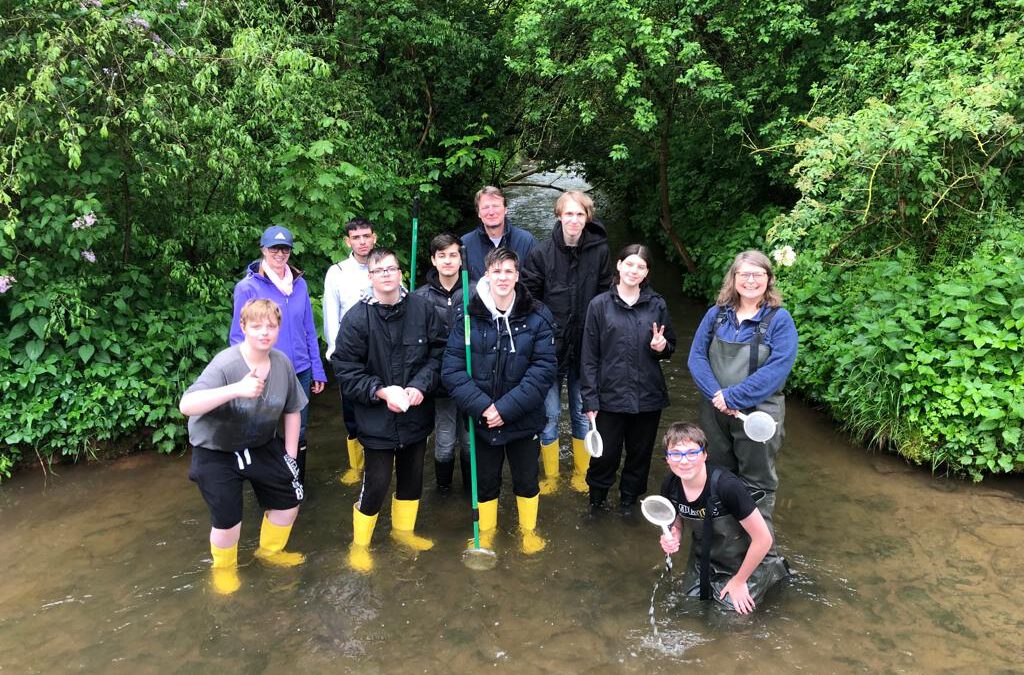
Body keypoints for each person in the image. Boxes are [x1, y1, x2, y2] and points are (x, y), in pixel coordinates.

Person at [331, 248, 446, 572]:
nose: (386, 275)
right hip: (377, 419)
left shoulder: (422, 308)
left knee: (412, 478)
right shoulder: (356, 318)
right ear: (370, 277)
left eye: (391, 269)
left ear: (400, 274)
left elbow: (439, 353)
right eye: (379, 270)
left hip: (415, 414)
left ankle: (402, 532)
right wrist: (379, 391)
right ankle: (360, 545)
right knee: (377, 482)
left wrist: (420, 385)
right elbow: (346, 369)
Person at [181, 299, 307, 595]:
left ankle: (270, 553)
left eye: (271, 326)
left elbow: (293, 409)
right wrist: (236, 389)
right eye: (256, 326)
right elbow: (187, 405)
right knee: (228, 521)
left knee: (289, 500)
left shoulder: (282, 363)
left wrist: (290, 455)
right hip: (216, 450)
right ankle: (224, 570)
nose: (264, 332)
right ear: (243, 328)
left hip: (261, 444)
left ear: (278, 329)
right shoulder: (226, 364)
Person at [441, 247, 557, 554]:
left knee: (527, 479)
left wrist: (505, 409)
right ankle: (487, 533)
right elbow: (451, 369)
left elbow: (544, 371)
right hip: (482, 419)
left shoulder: (539, 315)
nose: (503, 277)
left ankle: (528, 532)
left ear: (517, 276)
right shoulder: (468, 314)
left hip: (523, 417)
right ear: (487, 275)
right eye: (497, 271)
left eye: (509, 271)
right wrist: (484, 408)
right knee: (486, 481)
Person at [686, 250, 797, 540]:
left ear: (769, 279)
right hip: (715, 411)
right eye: (744, 274)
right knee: (718, 476)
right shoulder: (716, 315)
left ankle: (759, 553)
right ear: (733, 279)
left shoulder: (780, 320)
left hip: (758, 415)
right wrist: (717, 395)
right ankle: (723, 543)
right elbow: (696, 358)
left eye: (758, 274)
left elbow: (777, 369)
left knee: (757, 483)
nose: (750, 280)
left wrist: (733, 397)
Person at [522, 190, 611, 494]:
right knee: (548, 414)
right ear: (558, 216)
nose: (574, 220)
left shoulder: (599, 252)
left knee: (583, 413)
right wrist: (547, 333)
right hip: (549, 347)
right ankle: (550, 475)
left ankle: (581, 472)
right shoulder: (540, 253)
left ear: (588, 218)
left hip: (586, 347)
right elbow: (530, 299)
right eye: (568, 214)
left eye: (580, 214)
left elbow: (605, 296)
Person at [580, 244, 675, 514]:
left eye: (641, 267)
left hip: (648, 396)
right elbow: (588, 356)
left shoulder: (657, 304)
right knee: (604, 455)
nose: (634, 271)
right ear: (619, 265)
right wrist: (590, 398)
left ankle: (628, 503)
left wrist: (661, 347)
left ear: (647, 273)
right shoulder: (599, 305)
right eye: (630, 264)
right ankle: (596, 504)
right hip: (609, 397)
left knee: (640, 455)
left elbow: (670, 346)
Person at [657, 422, 787, 613]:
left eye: (692, 453)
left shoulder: (727, 486)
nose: (683, 461)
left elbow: (763, 539)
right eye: (676, 454)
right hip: (705, 555)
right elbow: (676, 518)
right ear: (667, 458)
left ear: (704, 455)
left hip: (745, 559)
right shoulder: (670, 484)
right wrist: (674, 534)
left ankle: (774, 572)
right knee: (689, 609)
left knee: (730, 619)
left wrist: (740, 580)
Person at [230, 225, 326, 484]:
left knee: (300, 430)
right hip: (266, 371)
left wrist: (317, 369)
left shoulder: (300, 284)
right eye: (274, 248)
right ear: (263, 249)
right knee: (265, 430)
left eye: (285, 248)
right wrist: (245, 375)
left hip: (301, 371)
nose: (280, 253)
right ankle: (268, 485)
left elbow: (308, 328)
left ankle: (295, 484)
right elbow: (237, 337)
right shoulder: (248, 287)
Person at [324, 218, 378, 485]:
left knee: (381, 405)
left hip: (380, 352)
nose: (362, 242)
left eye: (366, 236)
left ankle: (381, 461)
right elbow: (330, 315)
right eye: (356, 237)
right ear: (348, 241)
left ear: (374, 237)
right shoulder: (337, 272)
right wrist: (335, 353)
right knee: (351, 412)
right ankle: (356, 467)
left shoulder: (384, 265)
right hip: (350, 354)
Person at [413, 233, 467, 495]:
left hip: (471, 380)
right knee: (444, 438)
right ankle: (443, 490)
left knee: (469, 440)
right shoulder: (420, 297)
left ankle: (470, 489)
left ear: (461, 258)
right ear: (433, 260)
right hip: (439, 381)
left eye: (453, 255)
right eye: (442, 255)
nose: (448, 261)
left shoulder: (476, 291)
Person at [461, 186, 536, 281]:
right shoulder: (465, 244)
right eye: (485, 207)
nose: (491, 212)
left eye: (496, 206)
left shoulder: (526, 241)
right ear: (479, 213)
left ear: (505, 210)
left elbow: (534, 282)